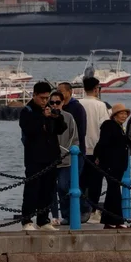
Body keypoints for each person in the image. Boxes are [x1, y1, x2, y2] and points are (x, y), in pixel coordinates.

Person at [19, 81, 68, 231]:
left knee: (48, 190)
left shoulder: (50, 109)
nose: (44, 101)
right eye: (42, 98)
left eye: (47, 98)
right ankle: (26, 220)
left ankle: (43, 220)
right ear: (34, 95)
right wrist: (43, 118)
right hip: (34, 157)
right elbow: (29, 130)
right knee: (32, 190)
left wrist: (56, 116)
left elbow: (61, 129)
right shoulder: (27, 111)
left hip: (51, 156)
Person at [95, 103, 130, 228]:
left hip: (118, 164)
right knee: (114, 191)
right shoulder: (109, 125)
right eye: (121, 113)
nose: (124, 116)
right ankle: (116, 220)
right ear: (114, 115)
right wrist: (100, 158)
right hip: (111, 164)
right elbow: (103, 143)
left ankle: (109, 220)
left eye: (125, 114)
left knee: (113, 191)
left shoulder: (119, 127)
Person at [79, 76, 110, 223]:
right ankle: (93, 211)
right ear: (96, 88)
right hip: (96, 149)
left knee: (81, 181)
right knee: (96, 182)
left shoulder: (78, 104)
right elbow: (105, 127)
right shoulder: (100, 105)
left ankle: (80, 209)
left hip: (80, 149)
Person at [53, 90, 79, 226]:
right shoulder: (46, 116)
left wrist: (65, 151)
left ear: (63, 102)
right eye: (52, 102)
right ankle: (53, 216)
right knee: (50, 188)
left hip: (65, 159)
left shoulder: (69, 117)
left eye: (58, 102)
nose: (55, 105)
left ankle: (67, 215)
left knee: (63, 187)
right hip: (49, 160)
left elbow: (74, 137)